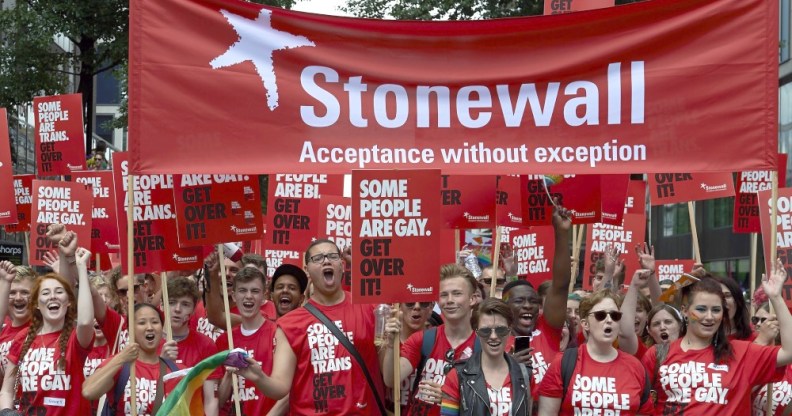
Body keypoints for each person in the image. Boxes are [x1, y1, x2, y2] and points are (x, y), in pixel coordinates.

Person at [223, 239, 384, 415]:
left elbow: (390, 375)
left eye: (332, 256)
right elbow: (280, 387)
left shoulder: (371, 308)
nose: (326, 261)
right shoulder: (290, 324)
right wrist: (259, 377)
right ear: (307, 269)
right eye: (318, 258)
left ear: (342, 265)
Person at [642, 260, 792, 414]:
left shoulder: (742, 352)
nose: (709, 317)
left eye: (716, 310)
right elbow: (639, 405)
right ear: (685, 311)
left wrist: (776, 297)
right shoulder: (657, 354)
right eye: (701, 309)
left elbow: (789, 352)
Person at [0, 245, 94, 415]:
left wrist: (81, 269)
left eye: (59, 292)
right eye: (45, 293)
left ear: (69, 302)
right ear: (36, 304)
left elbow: (86, 322)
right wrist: (6, 412)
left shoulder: (75, 338)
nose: (52, 296)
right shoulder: (23, 338)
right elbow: (7, 390)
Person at [382, 264, 479, 416]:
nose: (450, 300)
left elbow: (492, 400)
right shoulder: (422, 339)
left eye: (457, 294)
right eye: (444, 295)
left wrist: (451, 399)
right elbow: (391, 380)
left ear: (472, 299)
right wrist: (390, 344)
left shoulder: (484, 346)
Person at [537, 289, 653, 415]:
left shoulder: (635, 366)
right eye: (600, 315)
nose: (609, 320)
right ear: (585, 324)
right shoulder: (563, 362)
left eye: (615, 316)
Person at [502, 205, 572, 393]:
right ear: (505, 309)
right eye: (519, 301)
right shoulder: (494, 339)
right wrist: (508, 368)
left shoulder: (547, 328)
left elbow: (561, 285)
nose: (528, 306)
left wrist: (561, 233)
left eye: (533, 301)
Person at [83, 303, 183, 415]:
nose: (149, 327)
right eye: (142, 323)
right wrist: (121, 358)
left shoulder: (176, 372)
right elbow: (88, 392)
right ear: (130, 330)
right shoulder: (120, 366)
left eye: (155, 322)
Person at [441, 298, 532, 415]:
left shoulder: (526, 375)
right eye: (485, 331)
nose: (493, 336)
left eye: (501, 330)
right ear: (476, 332)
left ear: (510, 330)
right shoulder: (457, 375)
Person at [214, 266, 278, 415]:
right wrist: (228, 375)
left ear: (264, 296)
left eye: (255, 291)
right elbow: (218, 402)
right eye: (242, 290)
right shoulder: (224, 341)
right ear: (234, 295)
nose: (248, 296)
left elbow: (287, 390)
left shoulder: (277, 334)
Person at [166, 276, 219, 416]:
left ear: (195, 308)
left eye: (185, 304)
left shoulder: (206, 345)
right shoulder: (149, 341)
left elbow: (211, 400)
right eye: (171, 302)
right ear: (162, 304)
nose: (177, 309)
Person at [389, 301, 435, 414]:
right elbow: (388, 380)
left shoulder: (437, 342)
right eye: (409, 303)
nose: (417, 307)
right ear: (399, 307)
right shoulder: (386, 342)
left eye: (424, 303)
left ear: (431, 309)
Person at [0, 263, 34, 387]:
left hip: (33, 405)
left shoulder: (44, 328)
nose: (18, 298)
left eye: (25, 292)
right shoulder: (2, 331)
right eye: (12, 293)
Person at [712, 274, 754, 341]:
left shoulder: (753, 336)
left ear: (738, 301)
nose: (723, 300)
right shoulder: (703, 336)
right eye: (718, 295)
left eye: (727, 295)